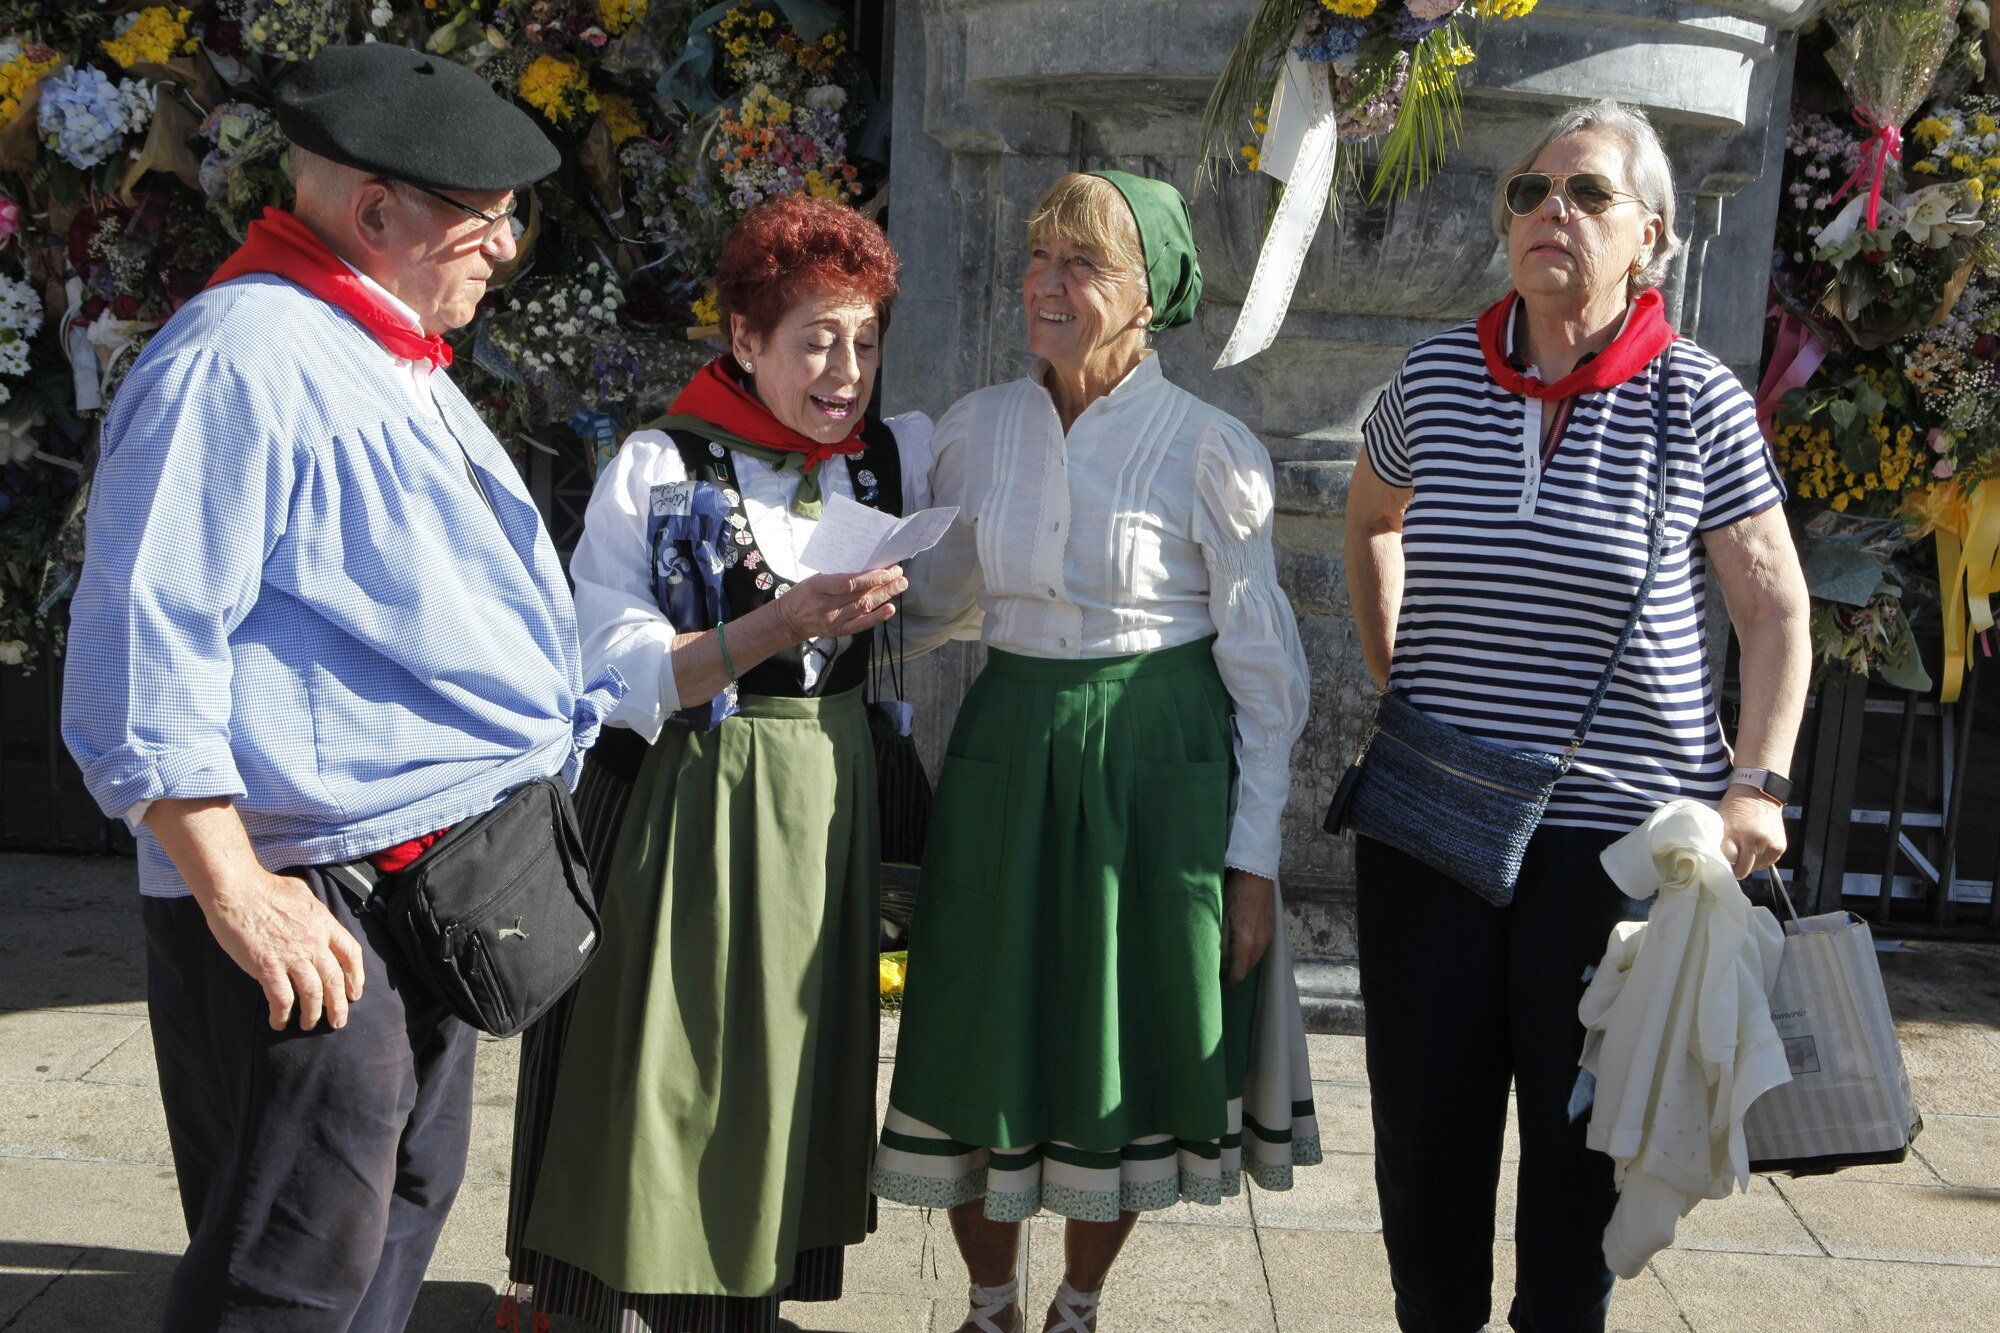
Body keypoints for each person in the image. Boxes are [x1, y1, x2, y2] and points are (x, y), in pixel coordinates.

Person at [59, 42, 620, 1332]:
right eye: (486, 223)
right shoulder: (243, 356)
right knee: (288, 1273)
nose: (504, 250)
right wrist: (239, 892)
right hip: (311, 899)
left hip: (411, 887)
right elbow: (142, 635)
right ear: (374, 212)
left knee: (386, 1234)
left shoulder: (372, 340)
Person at [1341, 99, 1811, 1332]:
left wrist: (1754, 781)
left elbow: (1772, 613)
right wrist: (1402, 680)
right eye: (1529, 191)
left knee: (1578, 1160)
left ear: (1647, 235)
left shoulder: (1695, 398)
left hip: (1612, 857)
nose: (1549, 211)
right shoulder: (1436, 376)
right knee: (1424, 1142)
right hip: (1432, 827)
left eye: (1586, 193)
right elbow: (1367, 522)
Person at [874, 170, 1321, 1333]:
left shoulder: (1208, 448)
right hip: (1009, 759)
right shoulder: (975, 431)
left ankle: (1074, 1304)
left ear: (1147, 297)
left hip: (1154, 779)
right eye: (1037, 256)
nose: (1045, 283)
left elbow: (1265, 672)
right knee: (982, 1027)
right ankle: (986, 1304)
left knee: (1112, 1044)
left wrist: (1253, 858)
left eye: (1081, 264)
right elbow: (932, 606)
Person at [506, 194, 926, 1333]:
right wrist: (772, 628)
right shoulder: (661, 461)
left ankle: (742, 1299)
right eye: (816, 340)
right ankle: (624, 1298)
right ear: (745, 340)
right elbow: (609, 658)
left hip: (822, 803)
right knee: (666, 1058)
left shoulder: (892, 460)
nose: (846, 371)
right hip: (690, 797)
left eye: (866, 340)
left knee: (785, 1056)